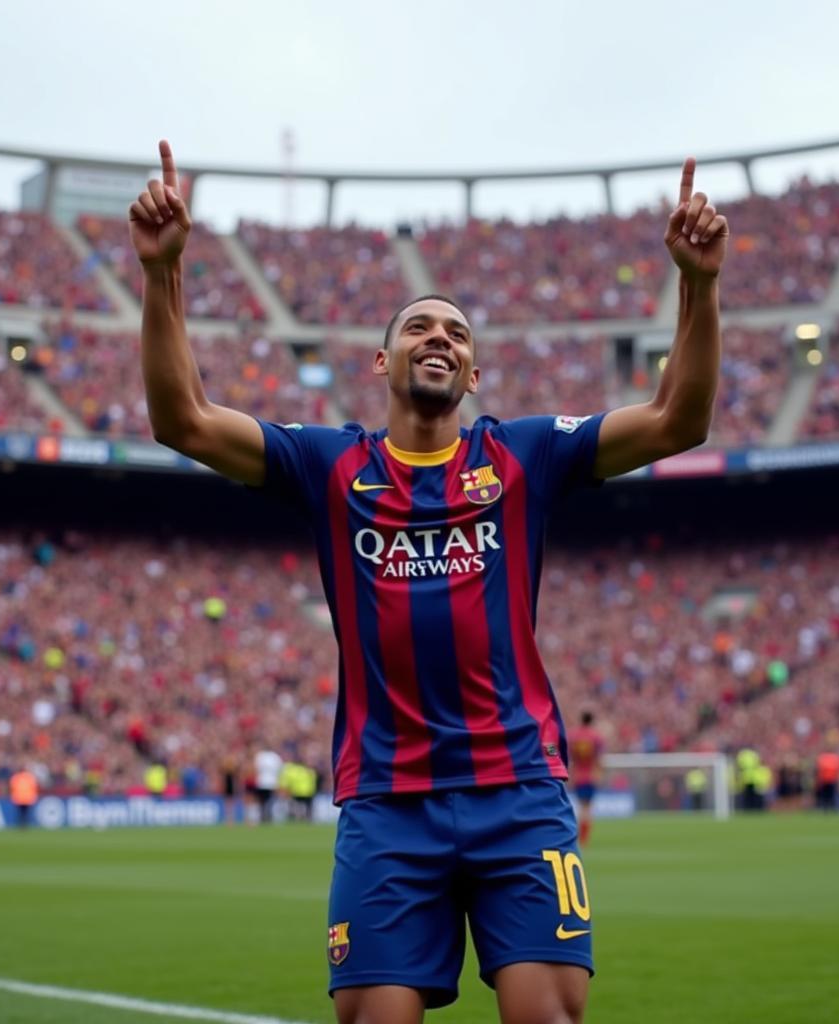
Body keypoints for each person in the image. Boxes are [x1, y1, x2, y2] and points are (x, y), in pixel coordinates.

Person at [131, 141, 726, 1024]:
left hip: (518, 790)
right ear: (383, 364)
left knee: (548, 1018)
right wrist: (164, 273)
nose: (438, 337)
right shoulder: (329, 465)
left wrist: (699, 284)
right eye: (418, 327)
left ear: (475, 373)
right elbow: (182, 419)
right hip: (387, 802)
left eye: (455, 332)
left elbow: (680, 420)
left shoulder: (525, 455)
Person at [567, 712, 603, 847]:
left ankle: (578, 835)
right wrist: (600, 774)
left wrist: (570, 775)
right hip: (591, 776)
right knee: (587, 808)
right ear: (591, 720)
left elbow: (569, 757)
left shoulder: (573, 736)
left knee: (581, 807)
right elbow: (599, 758)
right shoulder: (596, 736)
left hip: (577, 776)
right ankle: (584, 838)